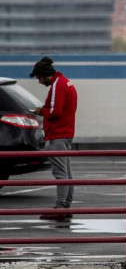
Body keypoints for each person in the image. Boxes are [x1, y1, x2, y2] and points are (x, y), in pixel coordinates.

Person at [30, 56, 77, 221]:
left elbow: (55, 112)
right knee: (67, 173)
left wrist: (40, 111)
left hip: (57, 134)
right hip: (66, 133)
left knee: (60, 174)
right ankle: (66, 207)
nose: (39, 81)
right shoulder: (66, 82)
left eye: (38, 78)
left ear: (45, 75)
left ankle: (59, 207)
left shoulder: (58, 85)